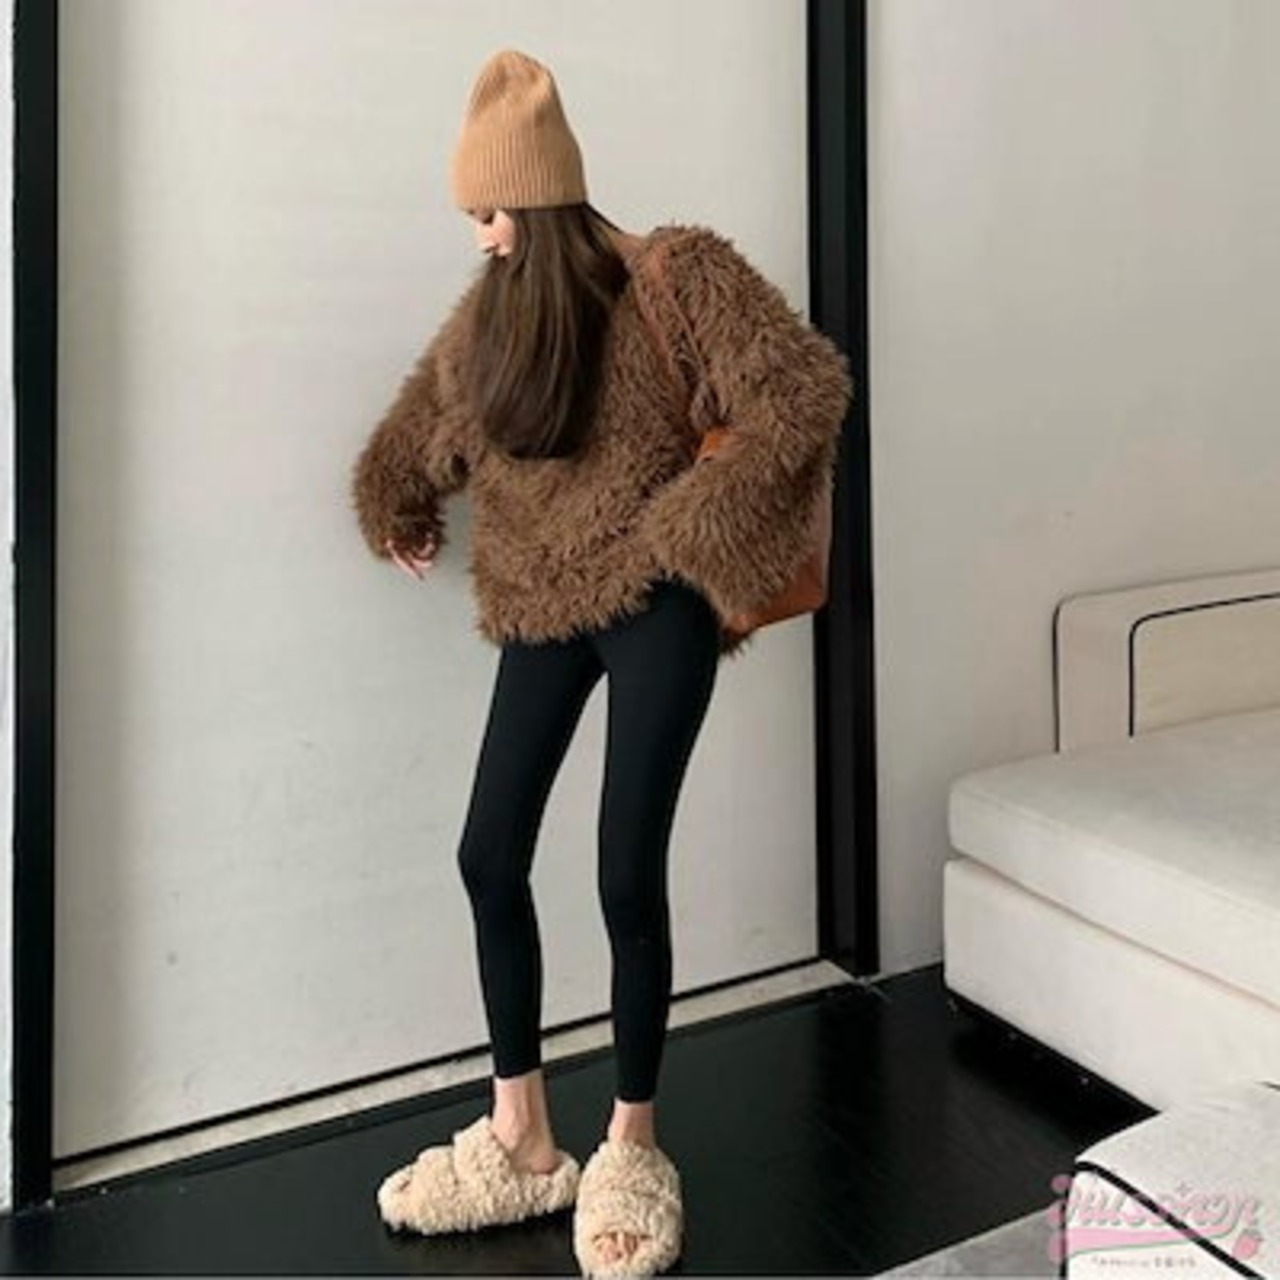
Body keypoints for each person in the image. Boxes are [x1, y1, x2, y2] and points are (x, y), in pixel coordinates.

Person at [350, 48, 854, 1280]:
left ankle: (632, 1139)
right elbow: (423, 425)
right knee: (488, 851)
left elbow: (800, 394)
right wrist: (394, 498)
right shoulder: (495, 316)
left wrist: (692, 527)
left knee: (625, 868)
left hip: (656, 601)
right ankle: (521, 1136)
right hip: (540, 600)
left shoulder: (679, 272)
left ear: (540, 196)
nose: (481, 237)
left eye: (492, 211)